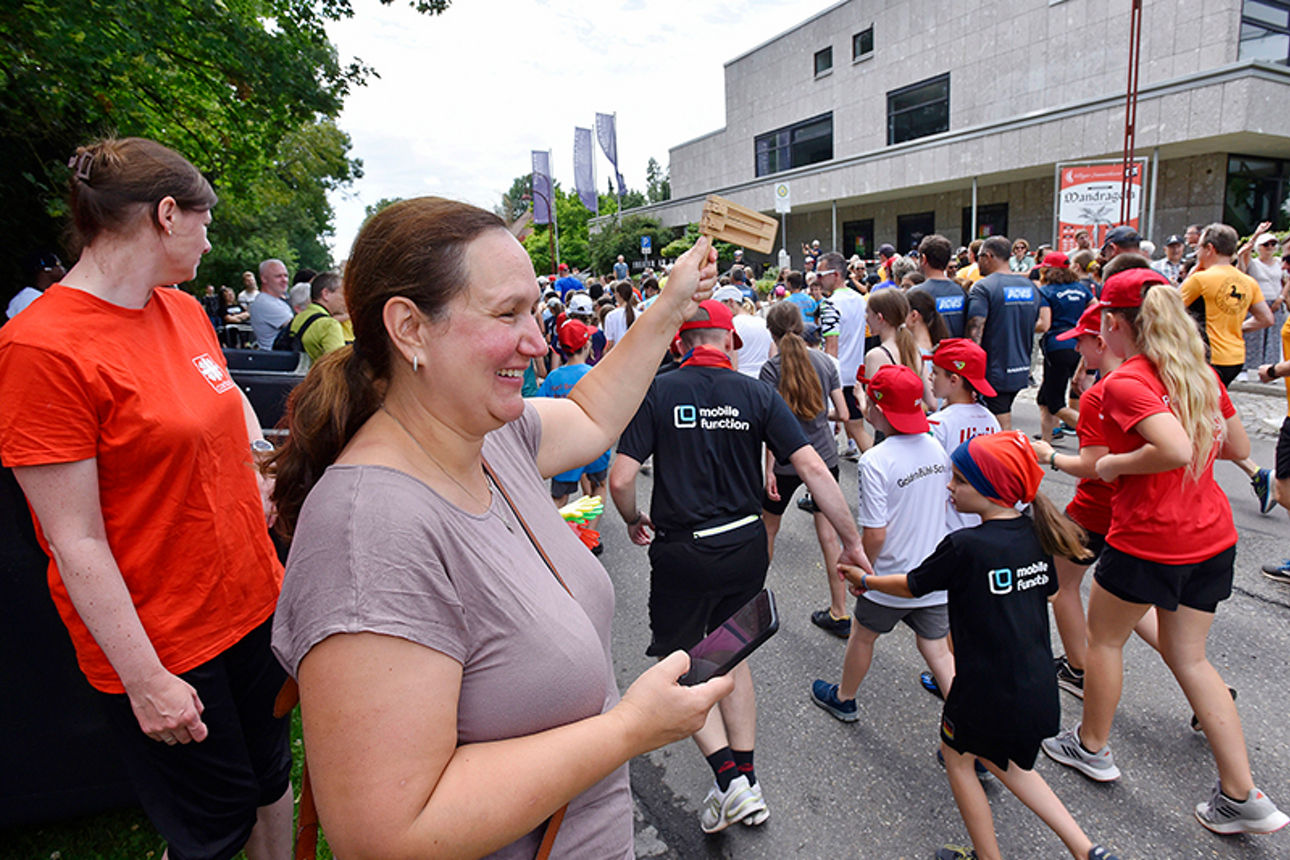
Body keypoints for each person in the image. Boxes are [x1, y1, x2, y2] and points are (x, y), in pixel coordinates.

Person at [269, 198, 734, 859]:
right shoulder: (369, 529)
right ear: (409, 328)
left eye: (536, 312)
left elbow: (593, 413)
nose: (539, 341)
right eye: (507, 313)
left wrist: (669, 307)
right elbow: (385, 835)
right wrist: (629, 729)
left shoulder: (490, 434)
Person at [0, 137, 289, 860]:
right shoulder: (42, 348)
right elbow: (74, 540)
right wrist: (146, 680)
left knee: (269, 777)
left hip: (250, 604)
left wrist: (259, 466)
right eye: (205, 220)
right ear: (166, 214)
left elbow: (230, 404)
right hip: (167, 641)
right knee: (212, 826)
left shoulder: (182, 310)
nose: (210, 237)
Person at [1040, 267, 1288, 836]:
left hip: (1149, 536)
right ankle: (1242, 795)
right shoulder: (1193, 371)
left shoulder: (1125, 382)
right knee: (1191, 658)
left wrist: (1113, 463)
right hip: (1212, 537)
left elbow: (1171, 449)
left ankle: (1092, 746)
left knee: (1104, 640)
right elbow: (1240, 446)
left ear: (1114, 323)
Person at [609, 299, 871, 834]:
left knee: (678, 664)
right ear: (729, 343)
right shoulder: (756, 392)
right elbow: (815, 466)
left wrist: (634, 517)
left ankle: (731, 782)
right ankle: (746, 779)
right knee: (731, 650)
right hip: (746, 545)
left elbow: (619, 478)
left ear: (682, 343)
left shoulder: (657, 390)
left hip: (684, 550)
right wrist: (851, 543)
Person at [840, 432, 1122, 860]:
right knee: (1009, 765)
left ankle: (988, 856)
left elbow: (912, 586)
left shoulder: (966, 546)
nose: (949, 488)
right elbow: (1046, 591)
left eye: (959, 481)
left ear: (992, 490)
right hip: (1036, 688)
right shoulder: (1038, 535)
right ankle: (1087, 849)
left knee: (958, 759)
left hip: (985, 690)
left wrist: (865, 581)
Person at [1029, 300, 1161, 699]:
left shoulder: (1102, 394)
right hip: (1140, 509)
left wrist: (1049, 454)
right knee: (1132, 605)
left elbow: (1093, 463)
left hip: (1096, 508)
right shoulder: (1155, 378)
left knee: (1060, 585)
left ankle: (1078, 666)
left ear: (1101, 340)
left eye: (1081, 342)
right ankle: (1201, 679)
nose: (1078, 352)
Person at [811, 364, 955, 726]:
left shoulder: (876, 460)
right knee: (937, 651)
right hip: (934, 572)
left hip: (889, 576)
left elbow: (875, 534)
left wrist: (862, 574)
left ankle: (844, 698)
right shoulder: (937, 449)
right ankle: (975, 732)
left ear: (876, 408)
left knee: (863, 636)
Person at [759, 300, 852, 638]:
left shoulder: (771, 369)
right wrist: (817, 413)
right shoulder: (825, 361)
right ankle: (840, 612)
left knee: (768, 529)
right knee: (829, 536)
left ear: (771, 331)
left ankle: (753, 604)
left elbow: (770, 425)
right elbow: (842, 413)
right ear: (802, 325)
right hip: (824, 457)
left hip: (785, 460)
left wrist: (769, 469)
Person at [1179, 223, 1276, 511]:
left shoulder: (1202, 279)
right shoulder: (1246, 281)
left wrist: (1195, 269)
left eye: (1199, 248)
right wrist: (1237, 328)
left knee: (1195, 421)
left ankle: (1247, 475)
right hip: (1234, 358)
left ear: (1209, 249)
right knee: (1207, 418)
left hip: (1206, 358)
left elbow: (1165, 309)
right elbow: (1266, 318)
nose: (1196, 252)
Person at [966, 236, 1042, 430]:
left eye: (979, 257)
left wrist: (968, 374)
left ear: (989, 256)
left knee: (1000, 427)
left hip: (994, 371)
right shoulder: (1030, 287)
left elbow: (974, 334)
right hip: (1020, 368)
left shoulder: (983, 287)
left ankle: (1009, 459)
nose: (977, 262)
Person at [1035, 252, 1095, 442]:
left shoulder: (1047, 291)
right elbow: (1096, 311)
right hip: (1079, 344)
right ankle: (1046, 442)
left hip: (1057, 346)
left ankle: (1095, 433)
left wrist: (1021, 323)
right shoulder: (1082, 289)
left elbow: (1044, 324)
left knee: (1055, 403)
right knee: (1044, 398)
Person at [911, 234, 967, 338]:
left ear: (924, 259)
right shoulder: (960, 291)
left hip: (930, 353)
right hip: (957, 352)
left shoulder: (915, 294)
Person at [287, 271, 347, 362]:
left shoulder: (300, 317)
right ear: (325, 294)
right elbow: (338, 366)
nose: (346, 299)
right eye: (342, 294)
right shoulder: (329, 325)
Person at [715, 285, 771, 377]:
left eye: (720, 306)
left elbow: (733, 364)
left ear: (731, 302)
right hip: (765, 380)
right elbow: (772, 355)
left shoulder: (731, 326)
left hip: (741, 381)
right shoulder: (763, 323)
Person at [249, 258, 293, 349]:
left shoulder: (276, 301)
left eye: (286, 276)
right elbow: (298, 328)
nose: (284, 280)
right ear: (264, 279)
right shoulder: (265, 303)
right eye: (278, 276)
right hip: (277, 358)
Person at [7, 251, 65, 318]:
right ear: (46, 269)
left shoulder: (44, 295)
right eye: (58, 264)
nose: (62, 269)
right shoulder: (28, 298)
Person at [602, 279, 638, 353]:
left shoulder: (611, 316)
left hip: (617, 356)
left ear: (617, 294)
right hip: (636, 355)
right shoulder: (639, 314)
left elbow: (610, 343)